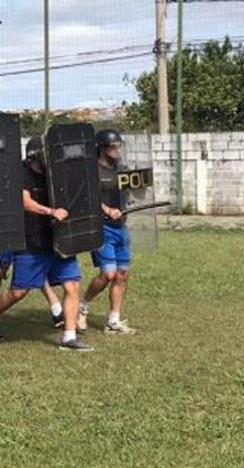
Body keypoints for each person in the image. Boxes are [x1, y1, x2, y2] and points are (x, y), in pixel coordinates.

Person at [0, 136, 93, 351]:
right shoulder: (22, 174)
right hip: (32, 242)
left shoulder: (56, 174)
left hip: (59, 241)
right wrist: (50, 211)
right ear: (35, 155)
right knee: (18, 292)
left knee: (72, 284)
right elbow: (25, 202)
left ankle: (68, 336)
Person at [80, 129, 136, 335]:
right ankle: (83, 306)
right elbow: (89, 199)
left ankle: (114, 320)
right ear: (102, 148)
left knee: (122, 275)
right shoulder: (92, 172)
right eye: (113, 146)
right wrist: (107, 210)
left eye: (119, 145)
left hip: (121, 227)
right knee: (107, 274)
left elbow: (131, 192)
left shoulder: (122, 170)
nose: (117, 150)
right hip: (102, 227)